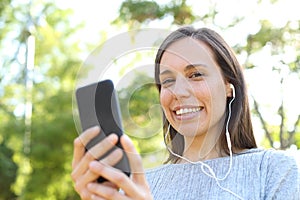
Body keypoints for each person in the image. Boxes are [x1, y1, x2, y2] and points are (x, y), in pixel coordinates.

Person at [71, 26, 300, 200]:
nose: (178, 91)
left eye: (195, 75)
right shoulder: (137, 185)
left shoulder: (273, 171)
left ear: (229, 85)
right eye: (168, 81)